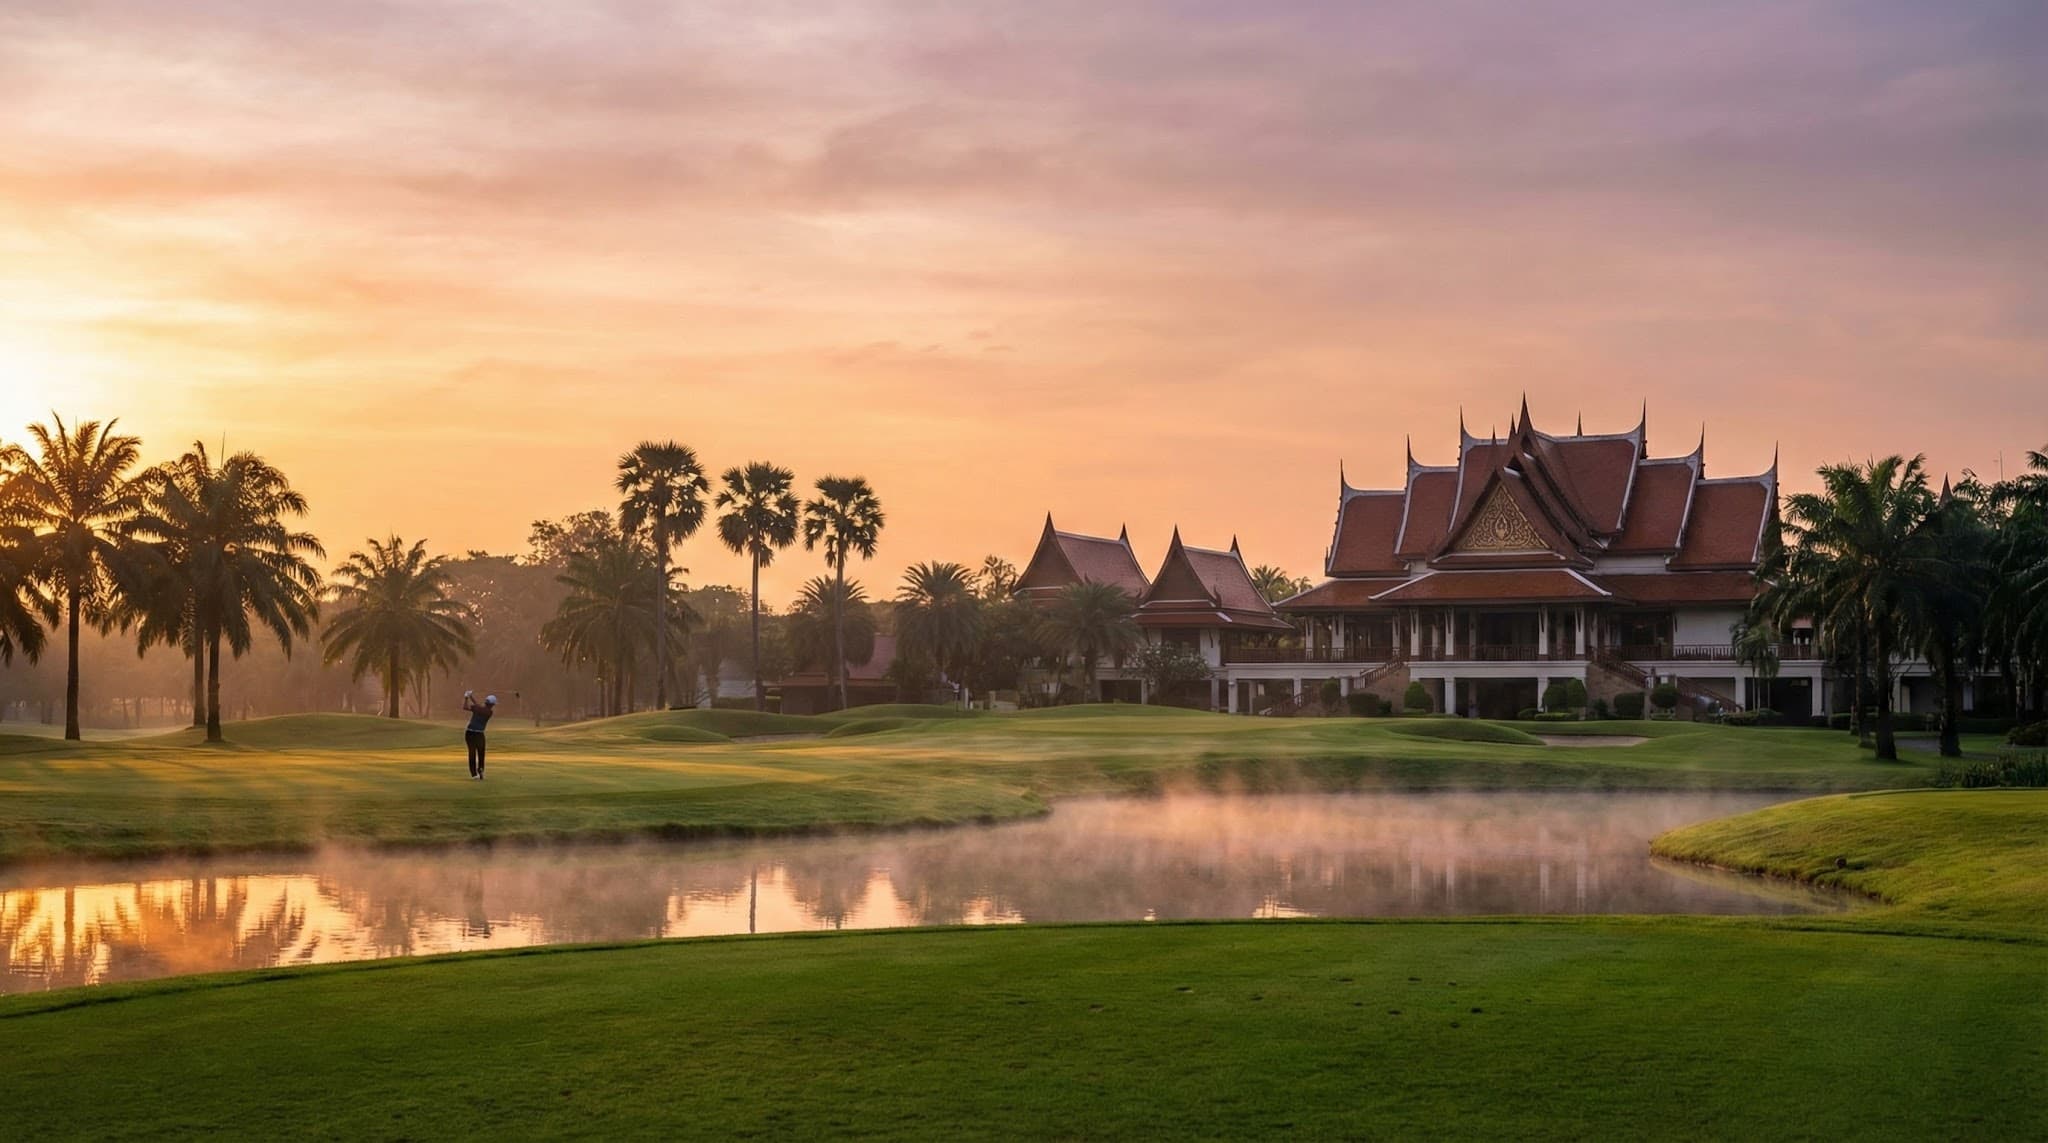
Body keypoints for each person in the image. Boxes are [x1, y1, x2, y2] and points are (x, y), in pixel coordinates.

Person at [462, 691, 496, 780]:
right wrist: (470, 697)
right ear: (492, 705)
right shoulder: (488, 711)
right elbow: (476, 707)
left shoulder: (486, 711)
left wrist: (467, 697)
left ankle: (477, 773)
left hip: (472, 733)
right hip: (475, 734)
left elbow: (466, 707)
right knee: (478, 753)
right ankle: (477, 772)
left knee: (475, 753)